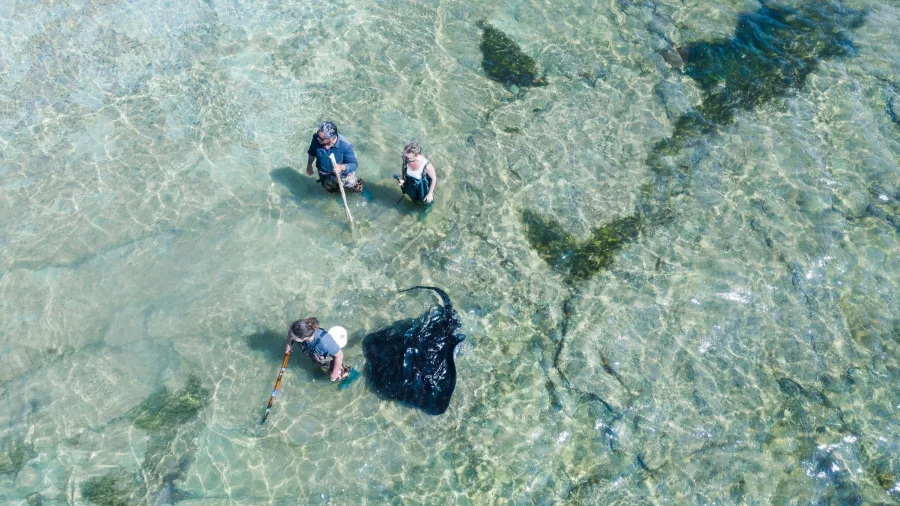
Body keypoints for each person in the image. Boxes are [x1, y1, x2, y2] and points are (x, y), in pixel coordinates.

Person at [285, 317, 350, 381]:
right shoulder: (299, 328)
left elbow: (339, 355)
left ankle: (350, 375)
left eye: (294, 338)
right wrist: (289, 344)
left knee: (338, 373)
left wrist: (335, 373)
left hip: (326, 356)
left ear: (304, 338)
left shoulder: (325, 343)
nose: (291, 337)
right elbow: (291, 332)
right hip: (312, 350)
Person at [306, 121, 364, 193]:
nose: (318, 139)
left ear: (331, 138)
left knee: (355, 188)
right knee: (331, 190)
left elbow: (354, 165)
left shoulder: (345, 145)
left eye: (321, 138)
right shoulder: (316, 138)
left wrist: (341, 167)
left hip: (343, 174)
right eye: (318, 135)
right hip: (324, 174)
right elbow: (312, 152)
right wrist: (309, 165)